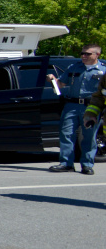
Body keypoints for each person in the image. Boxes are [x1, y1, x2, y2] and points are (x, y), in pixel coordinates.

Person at [47, 44, 105, 175]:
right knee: (66, 134)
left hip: (91, 107)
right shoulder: (74, 67)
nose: (83, 56)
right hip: (71, 106)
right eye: (82, 53)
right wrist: (52, 80)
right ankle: (66, 163)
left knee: (89, 136)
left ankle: (87, 165)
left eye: (87, 54)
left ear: (97, 55)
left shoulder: (103, 70)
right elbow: (61, 84)